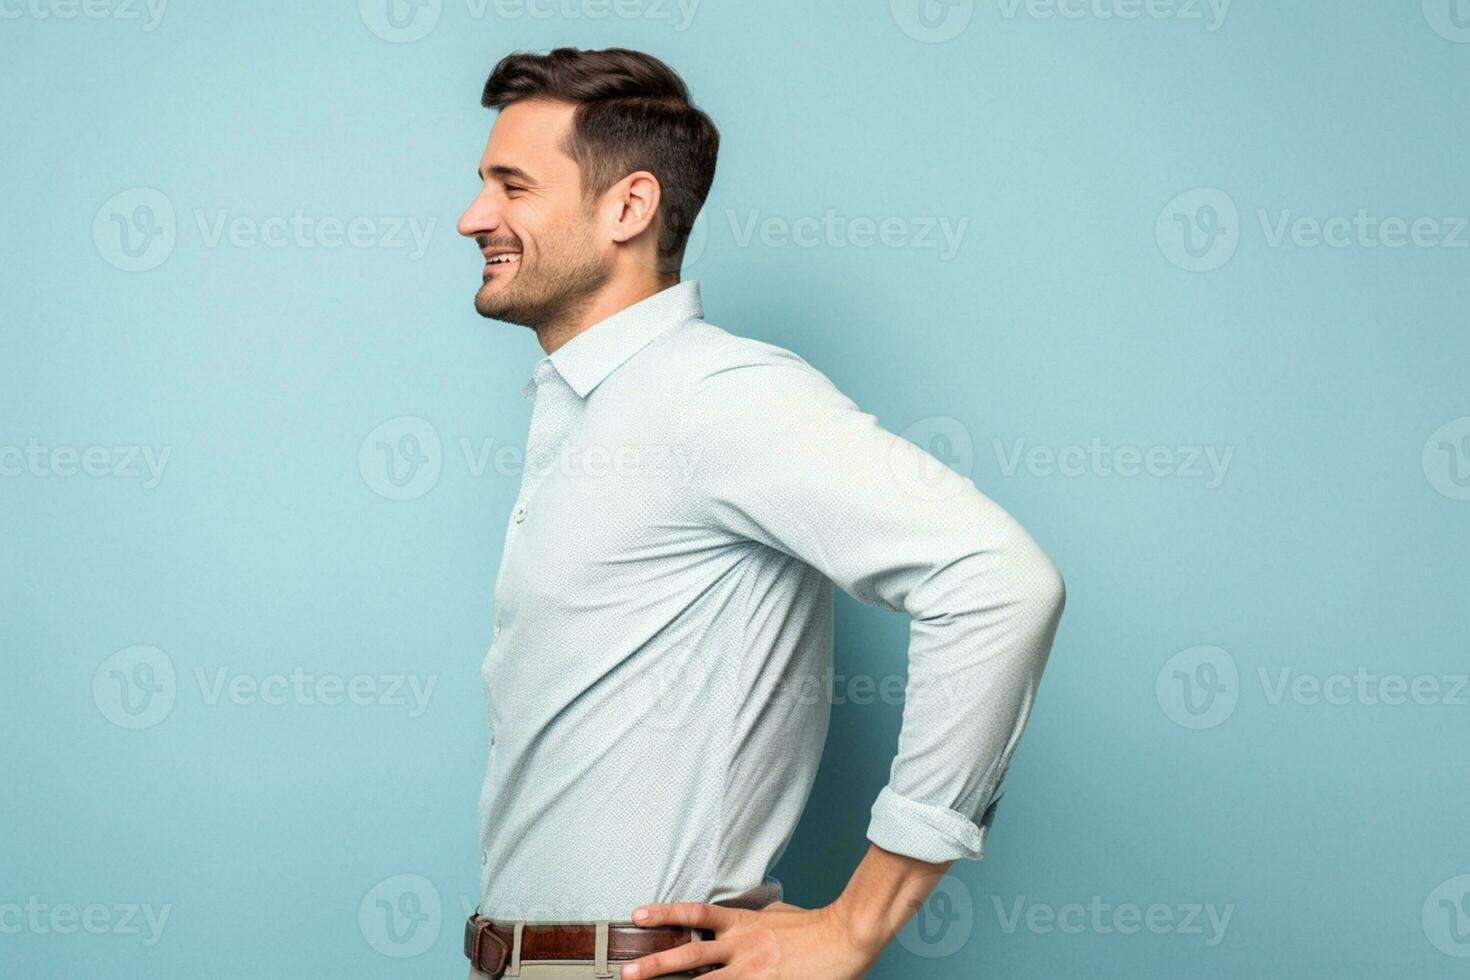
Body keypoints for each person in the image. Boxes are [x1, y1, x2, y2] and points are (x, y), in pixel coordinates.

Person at [456, 46, 1066, 980]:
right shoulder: (588, 412)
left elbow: (999, 582)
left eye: (512, 186)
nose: (473, 218)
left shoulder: (716, 396)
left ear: (629, 207)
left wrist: (856, 923)